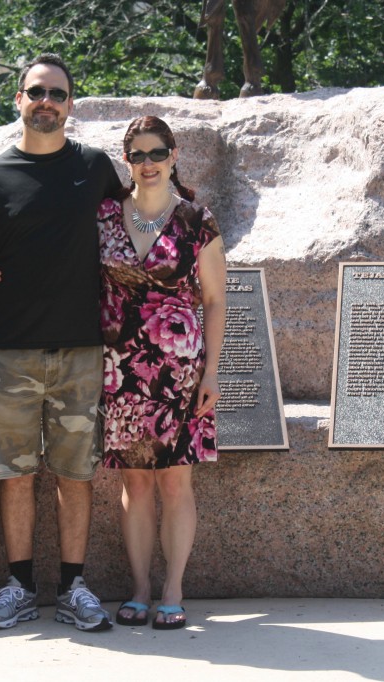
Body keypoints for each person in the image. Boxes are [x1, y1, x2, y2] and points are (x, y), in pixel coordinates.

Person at [0, 53, 122, 632]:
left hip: (81, 352)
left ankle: (74, 587)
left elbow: (131, 231)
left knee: (77, 474)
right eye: (36, 92)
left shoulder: (95, 168)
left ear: (71, 104)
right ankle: (20, 587)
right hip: (10, 353)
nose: (46, 102)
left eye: (56, 93)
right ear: (19, 100)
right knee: (15, 475)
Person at [98, 116, 227, 630]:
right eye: (138, 155)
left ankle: (173, 588)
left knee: (175, 483)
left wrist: (211, 372)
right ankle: (139, 588)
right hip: (120, 370)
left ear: (174, 156)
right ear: (126, 161)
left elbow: (214, 301)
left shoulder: (198, 221)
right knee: (134, 484)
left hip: (180, 371)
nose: (147, 164)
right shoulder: (104, 217)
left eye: (157, 153)